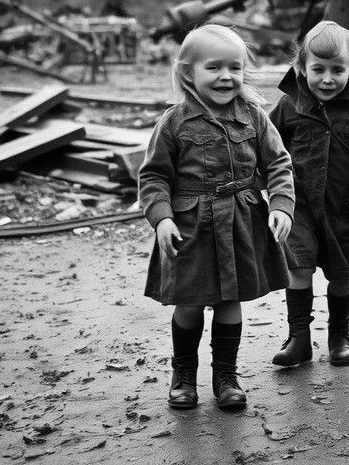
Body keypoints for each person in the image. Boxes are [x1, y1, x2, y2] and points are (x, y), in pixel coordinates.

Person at [140, 24, 295, 410]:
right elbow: (154, 176)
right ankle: (184, 375)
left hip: (240, 221)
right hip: (189, 226)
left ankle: (226, 376)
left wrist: (280, 205)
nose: (227, 77)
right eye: (214, 68)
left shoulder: (254, 117)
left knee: (231, 299)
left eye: (236, 68)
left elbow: (278, 164)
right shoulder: (174, 122)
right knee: (190, 302)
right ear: (187, 73)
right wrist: (162, 219)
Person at [268, 21, 349, 369]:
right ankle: (299, 338)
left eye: (338, 69)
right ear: (302, 68)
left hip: (345, 208)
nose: (327, 78)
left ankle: (339, 335)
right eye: (318, 69)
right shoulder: (290, 106)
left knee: (342, 273)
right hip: (299, 208)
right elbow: (270, 150)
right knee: (298, 268)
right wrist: (275, 195)